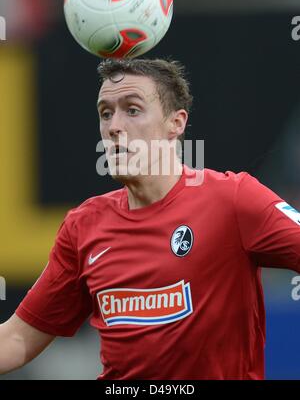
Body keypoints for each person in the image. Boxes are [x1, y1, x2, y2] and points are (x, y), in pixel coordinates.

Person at [1, 58, 300, 380]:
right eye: (105, 112)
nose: (114, 126)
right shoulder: (83, 226)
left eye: (132, 110)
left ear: (176, 123)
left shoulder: (234, 200)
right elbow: (17, 340)